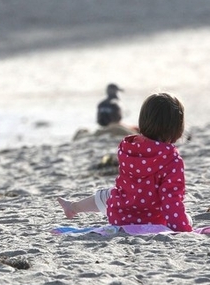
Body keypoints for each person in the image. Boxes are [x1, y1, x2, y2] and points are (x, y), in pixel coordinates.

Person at [58, 93, 192, 232]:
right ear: (177, 128)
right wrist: (184, 230)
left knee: (109, 194)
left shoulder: (128, 148)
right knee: (187, 218)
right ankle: (73, 207)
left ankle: (73, 207)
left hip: (119, 216)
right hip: (152, 221)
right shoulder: (172, 159)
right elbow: (171, 201)